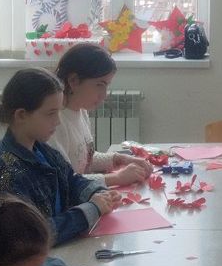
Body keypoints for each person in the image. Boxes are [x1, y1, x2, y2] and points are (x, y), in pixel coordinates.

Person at [0, 67, 120, 245]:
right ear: (21, 115)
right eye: (51, 113)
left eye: (58, 112)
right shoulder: (7, 171)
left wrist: (98, 193)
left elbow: (71, 180)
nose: (58, 121)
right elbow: (32, 236)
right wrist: (92, 209)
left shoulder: (42, 149)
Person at [51, 43, 151, 187]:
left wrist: (120, 159)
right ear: (74, 81)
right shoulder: (54, 123)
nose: (104, 95)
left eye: (107, 85)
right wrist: (116, 178)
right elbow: (64, 182)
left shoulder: (80, 111)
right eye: (100, 84)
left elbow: (83, 159)